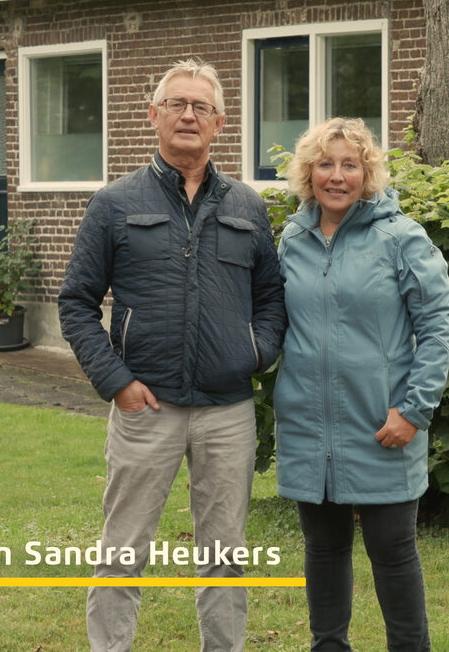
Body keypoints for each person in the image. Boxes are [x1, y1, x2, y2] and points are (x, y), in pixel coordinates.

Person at [58, 59, 286, 652]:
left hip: (227, 410)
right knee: (122, 550)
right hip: (144, 407)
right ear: (152, 115)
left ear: (221, 123)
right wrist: (115, 381)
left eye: (201, 107)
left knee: (224, 554)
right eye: (177, 104)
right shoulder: (112, 203)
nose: (189, 115)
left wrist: (255, 353)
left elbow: (272, 298)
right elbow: (76, 302)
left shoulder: (248, 207)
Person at [273, 117, 449, 651]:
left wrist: (414, 411)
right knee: (323, 551)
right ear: (309, 173)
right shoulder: (293, 238)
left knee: (393, 554)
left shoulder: (401, 237)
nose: (336, 176)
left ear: (367, 172)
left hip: (382, 424)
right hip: (309, 426)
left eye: (349, 164)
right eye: (324, 164)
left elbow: (437, 325)